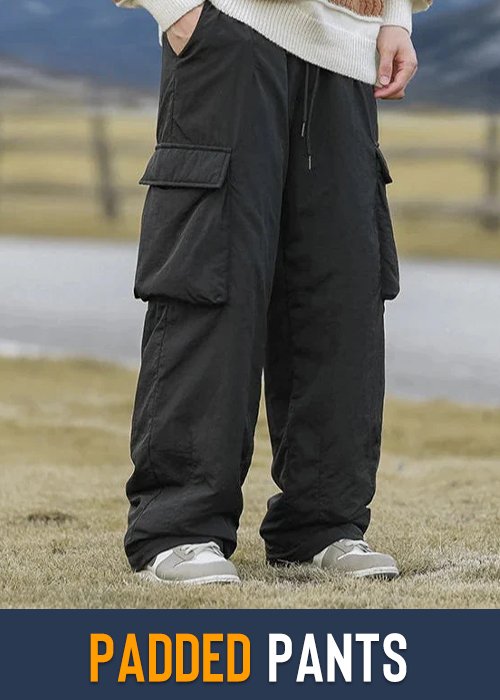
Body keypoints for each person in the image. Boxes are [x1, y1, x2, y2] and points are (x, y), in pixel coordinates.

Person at [115, 0, 432, 584]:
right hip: (231, 27)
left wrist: (396, 16)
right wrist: (177, 9)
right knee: (213, 278)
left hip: (347, 48)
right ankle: (179, 528)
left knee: (338, 290)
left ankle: (322, 525)